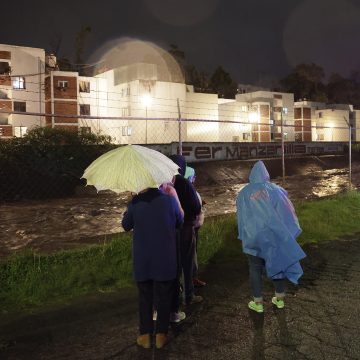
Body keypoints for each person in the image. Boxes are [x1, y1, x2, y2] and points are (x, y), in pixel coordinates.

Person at [236, 161, 306, 313]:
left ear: (252, 175)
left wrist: (242, 234)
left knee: (254, 268)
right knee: (278, 263)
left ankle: (258, 302)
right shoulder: (277, 190)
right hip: (274, 236)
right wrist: (289, 234)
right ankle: (279, 299)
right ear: (266, 174)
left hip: (253, 237)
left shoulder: (244, 193)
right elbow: (288, 213)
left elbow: (241, 216)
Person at [122, 186, 183, 349]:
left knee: (144, 297)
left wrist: (128, 209)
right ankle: (161, 335)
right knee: (164, 297)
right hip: (165, 258)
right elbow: (179, 221)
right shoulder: (170, 201)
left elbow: (126, 225)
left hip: (143, 259)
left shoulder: (135, 202)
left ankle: (145, 336)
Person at [169, 155, 202, 305]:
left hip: (169, 230)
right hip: (186, 228)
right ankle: (189, 296)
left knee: (174, 264)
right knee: (187, 263)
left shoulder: (164, 183)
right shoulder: (184, 183)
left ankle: (175, 296)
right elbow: (196, 206)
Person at [184, 166, 206, 287]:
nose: (195, 179)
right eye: (193, 176)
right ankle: (190, 283)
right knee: (191, 255)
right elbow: (195, 209)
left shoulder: (181, 189)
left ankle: (191, 279)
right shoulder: (188, 191)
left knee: (192, 254)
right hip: (190, 228)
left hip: (191, 227)